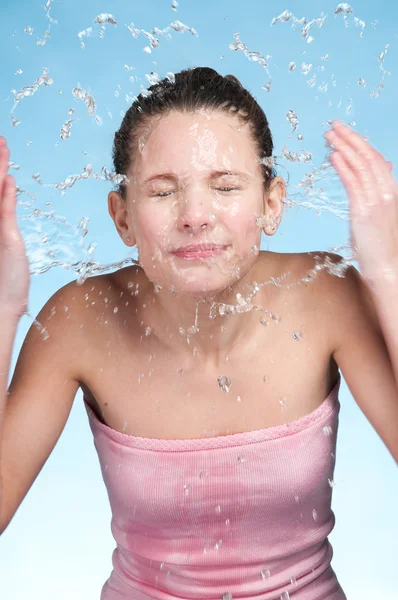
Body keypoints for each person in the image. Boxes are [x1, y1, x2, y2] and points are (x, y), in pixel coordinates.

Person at [1, 66, 397, 599]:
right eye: (162, 192)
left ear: (271, 203)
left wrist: (389, 272)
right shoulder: (79, 320)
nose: (195, 216)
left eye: (227, 186)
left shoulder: (328, 296)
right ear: (122, 217)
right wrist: (4, 305)